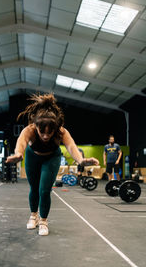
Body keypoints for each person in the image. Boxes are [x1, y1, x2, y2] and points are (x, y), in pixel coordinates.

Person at [6, 94, 99, 236]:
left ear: (55, 128)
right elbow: (21, 142)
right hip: (32, 157)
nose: (45, 136)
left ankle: (43, 221)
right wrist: (18, 154)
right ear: (36, 125)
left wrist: (81, 160)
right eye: (42, 131)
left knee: (44, 190)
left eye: (50, 132)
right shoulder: (29, 130)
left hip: (51, 158)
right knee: (34, 188)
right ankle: (33, 216)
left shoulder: (61, 131)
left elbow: (71, 147)